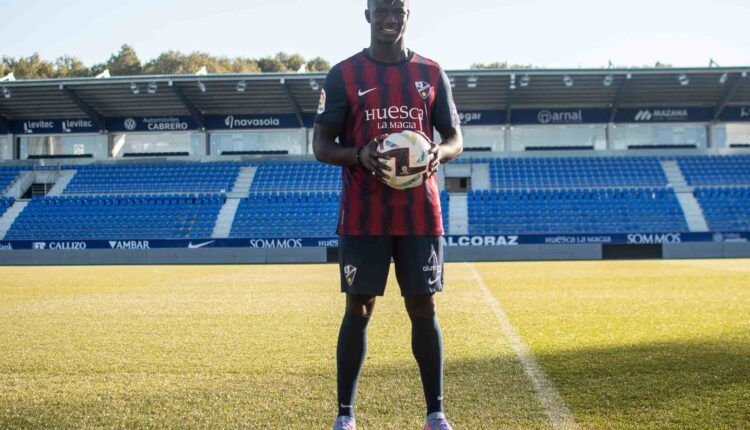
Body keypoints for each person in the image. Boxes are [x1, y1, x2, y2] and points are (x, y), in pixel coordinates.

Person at [313, 0, 463, 428]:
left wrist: (438, 152)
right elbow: (322, 147)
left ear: (408, 15)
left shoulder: (431, 73)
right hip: (364, 213)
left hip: (420, 211)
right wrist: (360, 155)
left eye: (397, 8)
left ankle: (435, 413)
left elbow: (455, 137)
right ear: (368, 15)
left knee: (423, 305)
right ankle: (345, 416)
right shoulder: (343, 75)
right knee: (359, 307)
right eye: (381, 9)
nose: (389, 16)